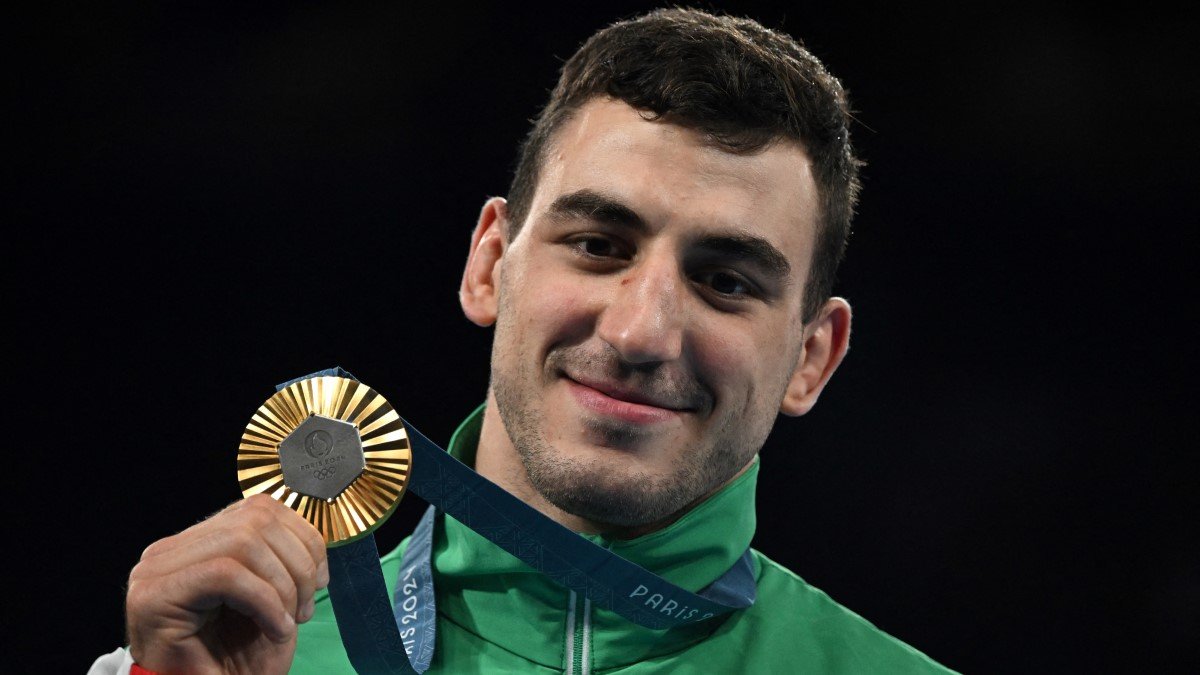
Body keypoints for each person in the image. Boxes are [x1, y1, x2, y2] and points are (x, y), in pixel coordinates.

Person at [93, 8, 955, 674]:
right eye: (598, 245)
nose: (639, 332)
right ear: (489, 265)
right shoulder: (231, 657)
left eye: (725, 281)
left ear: (812, 357)